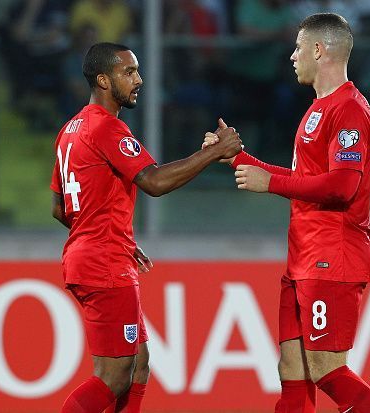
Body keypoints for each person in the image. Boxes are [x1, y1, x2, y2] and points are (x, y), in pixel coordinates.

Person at [204, 13, 370, 413]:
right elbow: (306, 177)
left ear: (319, 51)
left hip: (332, 257)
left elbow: (342, 186)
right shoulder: (319, 109)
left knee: (327, 370)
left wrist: (271, 184)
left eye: (299, 47)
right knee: (292, 370)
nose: (292, 56)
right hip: (302, 257)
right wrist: (238, 158)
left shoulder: (350, 109)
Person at [50, 42, 242, 413]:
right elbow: (153, 182)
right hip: (103, 261)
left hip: (92, 253)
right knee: (115, 374)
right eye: (129, 72)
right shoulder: (107, 128)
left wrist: (106, 229)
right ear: (103, 80)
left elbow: (60, 208)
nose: (139, 79)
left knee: (138, 363)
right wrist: (214, 152)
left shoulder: (70, 130)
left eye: (137, 70)